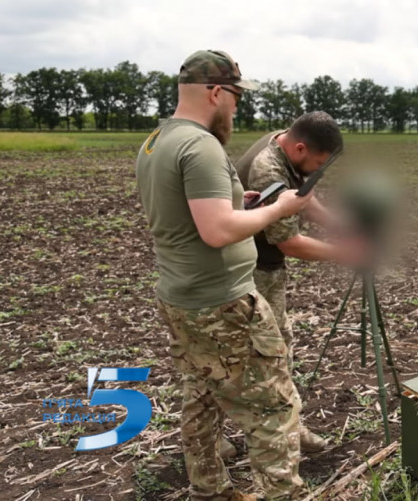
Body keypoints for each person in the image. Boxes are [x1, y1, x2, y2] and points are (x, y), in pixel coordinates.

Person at [135, 49, 312, 501]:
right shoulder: (201, 146)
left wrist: (241, 203)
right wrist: (277, 208)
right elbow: (216, 231)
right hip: (223, 303)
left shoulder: (157, 141)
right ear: (216, 92)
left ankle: (209, 490)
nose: (237, 106)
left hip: (181, 297)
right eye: (235, 96)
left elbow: (193, 215)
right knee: (274, 407)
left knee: (202, 396)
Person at [235, 112, 362, 453]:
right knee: (265, 356)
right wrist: (346, 253)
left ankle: (289, 426)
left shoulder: (285, 142)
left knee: (277, 349)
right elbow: (288, 243)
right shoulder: (268, 170)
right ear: (301, 147)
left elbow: (302, 196)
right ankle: (278, 437)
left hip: (263, 268)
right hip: (254, 271)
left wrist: (339, 224)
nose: (318, 171)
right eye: (317, 163)